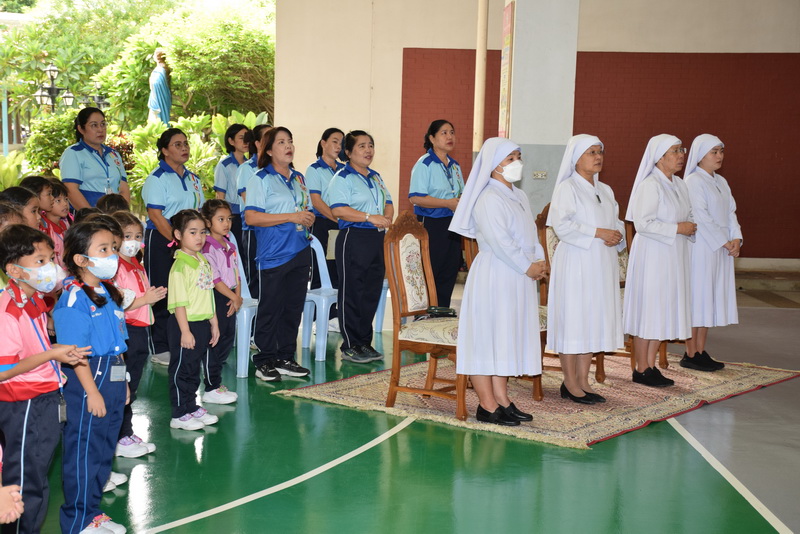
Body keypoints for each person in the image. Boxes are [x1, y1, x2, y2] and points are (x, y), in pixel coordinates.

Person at [449, 137, 547, 426]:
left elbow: (531, 234)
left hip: (518, 274)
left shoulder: (520, 195)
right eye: (510, 158)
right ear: (493, 164)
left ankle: (502, 399)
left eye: (518, 156)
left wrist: (539, 261)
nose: (517, 162)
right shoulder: (488, 198)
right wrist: (528, 266)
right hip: (496, 273)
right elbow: (500, 242)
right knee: (486, 337)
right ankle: (486, 403)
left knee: (504, 336)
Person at [0, 225, 88, 534]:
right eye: (40, 261)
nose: (51, 267)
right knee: (25, 480)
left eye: (51, 258)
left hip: (44, 397)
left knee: (37, 474)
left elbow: (33, 349)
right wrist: (53, 354)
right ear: (14, 270)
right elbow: (4, 370)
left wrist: (56, 352)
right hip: (25, 403)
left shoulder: (34, 301)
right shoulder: (7, 310)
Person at [53, 220, 130, 534]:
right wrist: (92, 392)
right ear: (80, 259)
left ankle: (93, 512)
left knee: (104, 448)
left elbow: (118, 343)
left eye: (113, 248)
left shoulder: (106, 292)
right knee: (84, 451)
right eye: (104, 249)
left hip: (112, 373)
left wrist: (123, 381)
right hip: (89, 378)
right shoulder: (74, 299)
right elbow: (75, 354)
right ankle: (77, 520)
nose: (112, 255)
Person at [546, 135, 625, 404]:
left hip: (601, 264)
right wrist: (598, 232)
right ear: (576, 158)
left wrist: (617, 234)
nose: (598, 156)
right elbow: (563, 226)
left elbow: (616, 221)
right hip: (576, 263)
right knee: (575, 320)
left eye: (600, 151)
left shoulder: (606, 190)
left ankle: (584, 380)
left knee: (591, 320)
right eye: (591, 152)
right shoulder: (567, 188)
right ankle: (570, 382)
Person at [623, 134, 697, 387]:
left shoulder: (680, 184)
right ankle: (641, 368)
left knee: (662, 309)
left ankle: (650, 365)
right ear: (659, 157)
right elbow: (643, 224)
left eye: (681, 150)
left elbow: (689, 214)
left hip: (674, 254)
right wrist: (678, 228)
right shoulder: (650, 185)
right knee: (650, 310)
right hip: (653, 256)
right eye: (675, 151)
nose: (681, 155)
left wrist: (688, 226)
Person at [244, 127, 312, 381]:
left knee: (293, 308)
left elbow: (305, 208)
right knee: (270, 308)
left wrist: (307, 217)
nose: (288, 146)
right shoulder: (260, 178)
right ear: (269, 150)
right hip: (274, 253)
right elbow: (252, 217)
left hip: (300, 250)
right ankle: (264, 360)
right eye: (281, 142)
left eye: (290, 141)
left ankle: (285, 357)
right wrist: (291, 217)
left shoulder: (299, 178)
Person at [325, 130, 394, 363]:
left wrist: (386, 217)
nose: (368, 150)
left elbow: (388, 202)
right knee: (352, 292)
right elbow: (338, 209)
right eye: (362, 146)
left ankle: (364, 342)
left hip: (376, 238)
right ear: (348, 152)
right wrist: (369, 217)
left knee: (371, 292)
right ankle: (350, 345)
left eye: (371, 145)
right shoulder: (342, 177)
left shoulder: (376, 177)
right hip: (353, 238)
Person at [142, 128, 204, 365]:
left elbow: (199, 211)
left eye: (186, 143)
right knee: (162, 291)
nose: (184, 148)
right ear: (165, 150)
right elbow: (156, 215)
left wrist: (192, 240)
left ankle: (183, 338)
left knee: (186, 291)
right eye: (177, 144)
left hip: (188, 241)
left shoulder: (193, 178)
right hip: (162, 238)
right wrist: (177, 242)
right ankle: (160, 347)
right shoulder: (157, 178)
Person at [683, 134, 742, 371]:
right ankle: (690, 352)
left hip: (719, 247)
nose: (719, 156)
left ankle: (700, 349)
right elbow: (701, 217)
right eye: (714, 152)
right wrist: (724, 241)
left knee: (709, 298)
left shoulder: (721, 181)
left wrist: (736, 238)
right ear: (700, 155)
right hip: (702, 248)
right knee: (698, 298)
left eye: (721, 151)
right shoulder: (693, 181)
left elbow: (730, 212)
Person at [111, 210, 165, 457]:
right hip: (127, 330)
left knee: (132, 383)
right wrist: (146, 299)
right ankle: (119, 436)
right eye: (127, 236)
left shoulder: (135, 262)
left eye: (138, 236)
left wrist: (149, 299)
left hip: (141, 329)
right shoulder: (114, 267)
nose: (133, 241)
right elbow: (117, 302)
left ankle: (126, 431)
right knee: (123, 384)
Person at [166, 210, 220, 430]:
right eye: (193, 232)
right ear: (178, 235)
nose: (199, 237)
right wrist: (185, 331)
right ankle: (179, 414)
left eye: (203, 232)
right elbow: (179, 303)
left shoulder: (202, 260)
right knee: (182, 370)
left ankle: (191, 406)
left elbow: (208, 292)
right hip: (184, 325)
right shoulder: (180, 266)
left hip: (202, 322)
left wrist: (214, 321)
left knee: (193, 369)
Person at [408, 120, 465, 307]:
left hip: (453, 224)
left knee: (450, 269)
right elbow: (415, 197)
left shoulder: (455, 166)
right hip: (431, 224)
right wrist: (447, 203)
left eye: (452, 132)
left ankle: (442, 311)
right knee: (431, 270)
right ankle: (425, 312)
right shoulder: (424, 164)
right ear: (432, 138)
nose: (449, 137)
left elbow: (461, 193)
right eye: (444, 133)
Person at [200, 199, 241, 403]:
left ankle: (216, 383)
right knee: (214, 341)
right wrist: (234, 297)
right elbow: (215, 280)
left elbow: (236, 273)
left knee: (227, 338)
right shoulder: (207, 247)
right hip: (217, 297)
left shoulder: (230, 245)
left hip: (231, 296)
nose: (227, 223)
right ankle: (211, 387)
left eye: (229, 219)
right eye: (221, 219)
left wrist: (237, 296)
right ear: (208, 222)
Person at [59, 107, 130, 209]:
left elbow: (123, 188)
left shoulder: (113, 154)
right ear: (81, 129)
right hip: (87, 214)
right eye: (94, 125)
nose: (100, 130)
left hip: (114, 213)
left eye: (103, 124)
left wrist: (123, 214)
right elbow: (71, 190)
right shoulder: (73, 153)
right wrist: (92, 215)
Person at [305, 127, 344, 304]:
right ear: (323, 143)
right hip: (323, 223)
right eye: (334, 141)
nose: (338, 146)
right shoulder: (314, 169)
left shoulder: (344, 169)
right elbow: (316, 201)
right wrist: (337, 219)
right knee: (322, 271)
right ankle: (318, 316)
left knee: (338, 270)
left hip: (341, 224)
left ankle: (336, 313)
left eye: (341, 143)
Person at [236, 124, 272, 298]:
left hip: (274, 229)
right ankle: (253, 313)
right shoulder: (247, 168)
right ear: (257, 143)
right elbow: (248, 200)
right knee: (255, 276)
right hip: (254, 230)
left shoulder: (278, 169)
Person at [214, 124, 250, 247]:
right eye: (241, 138)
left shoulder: (250, 165)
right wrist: (223, 219)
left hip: (249, 214)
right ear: (231, 141)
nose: (245, 141)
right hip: (233, 216)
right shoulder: (224, 165)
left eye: (247, 138)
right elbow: (220, 196)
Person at [40, 178, 72, 267]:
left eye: (66, 199)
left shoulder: (67, 223)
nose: (65, 204)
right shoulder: (44, 228)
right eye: (58, 200)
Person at [148, 48, 171, 125]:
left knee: (157, 122)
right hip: (163, 96)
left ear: (156, 57)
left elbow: (156, 83)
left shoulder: (160, 70)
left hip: (157, 100)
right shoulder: (163, 68)